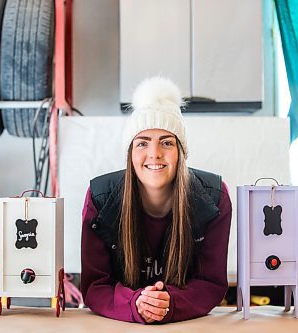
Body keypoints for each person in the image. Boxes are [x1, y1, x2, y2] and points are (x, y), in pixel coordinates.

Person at [80, 77, 232, 324]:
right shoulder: (100, 198)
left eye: (166, 142)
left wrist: (169, 303)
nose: (154, 154)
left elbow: (211, 283)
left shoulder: (214, 199)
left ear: (181, 152)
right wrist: (135, 303)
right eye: (142, 143)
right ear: (130, 154)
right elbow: (95, 286)